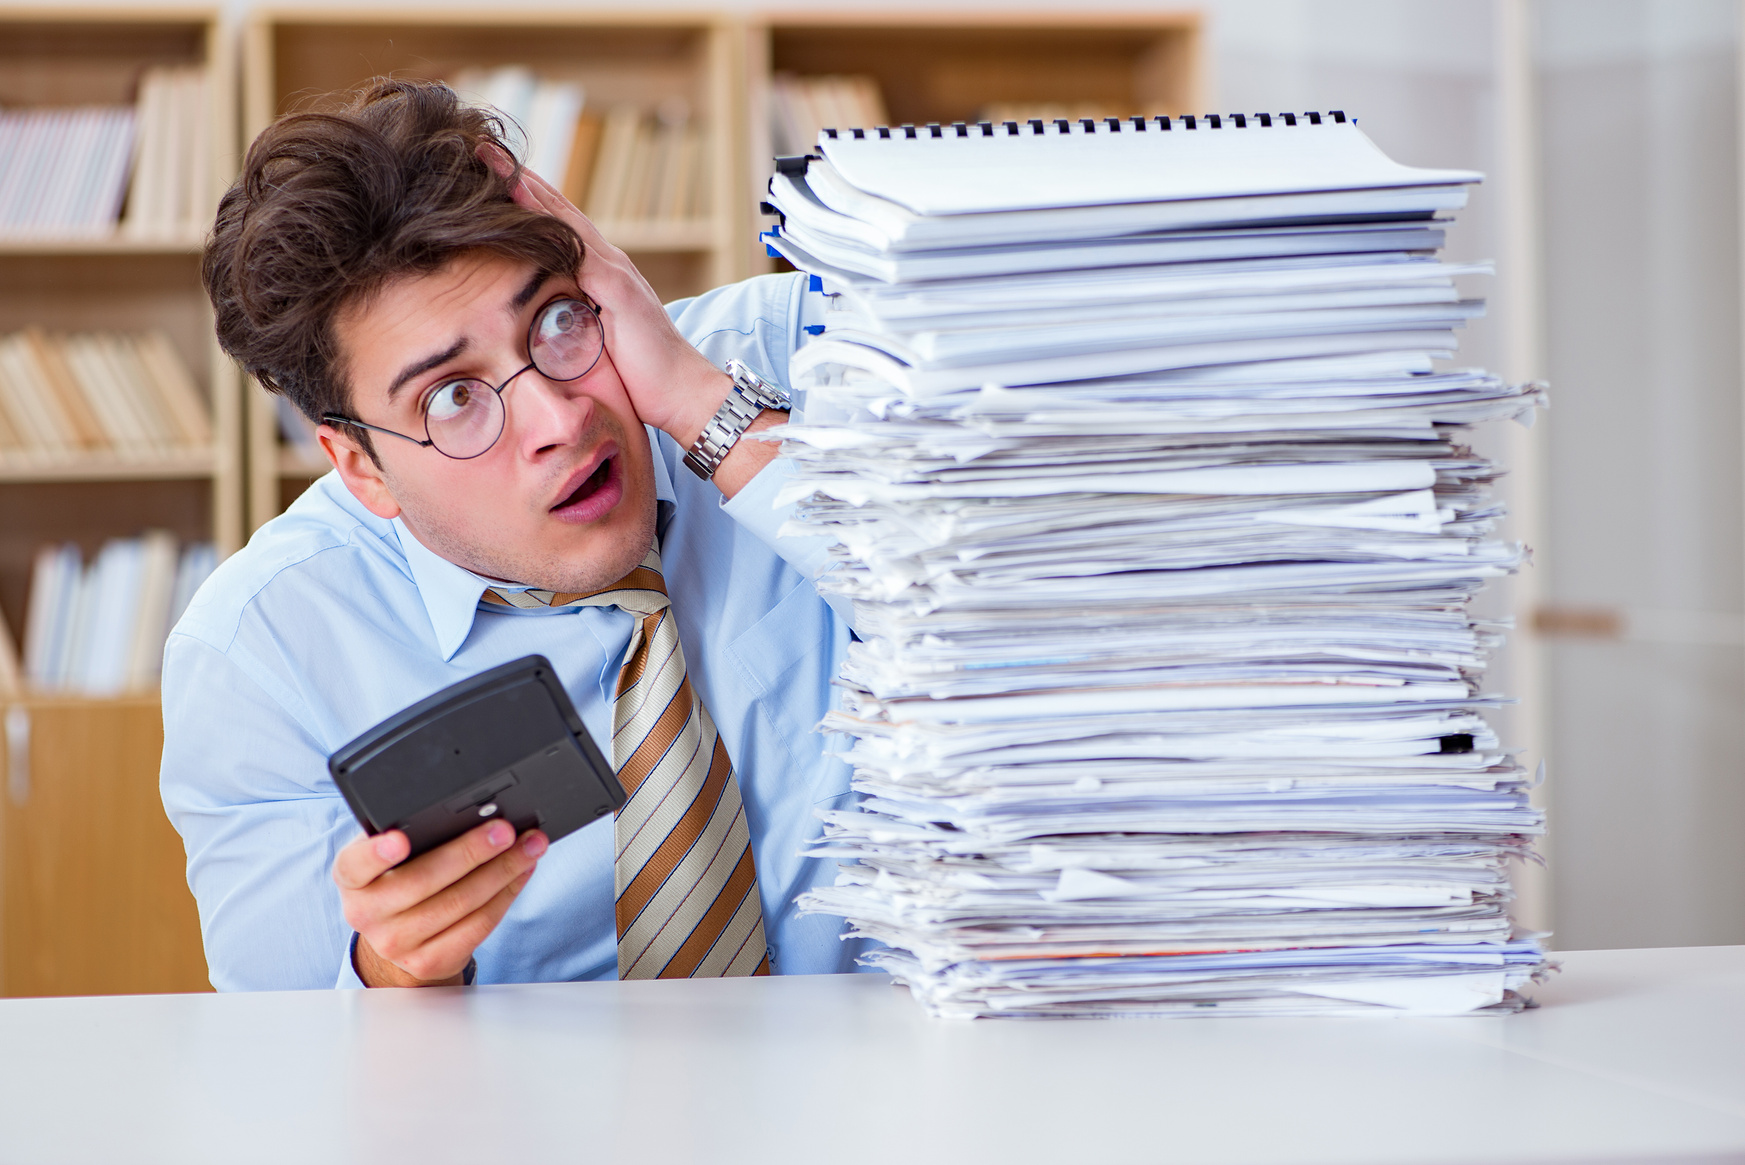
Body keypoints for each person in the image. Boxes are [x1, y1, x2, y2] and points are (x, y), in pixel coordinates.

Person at [161, 78, 863, 990]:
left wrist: (704, 409)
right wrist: (392, 969)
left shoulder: (793, 364)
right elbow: (293, 1073)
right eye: (452, 398)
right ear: (360, 466)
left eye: (558, 320)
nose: (559, 421)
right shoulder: (265, 647)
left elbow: (1053, 635)